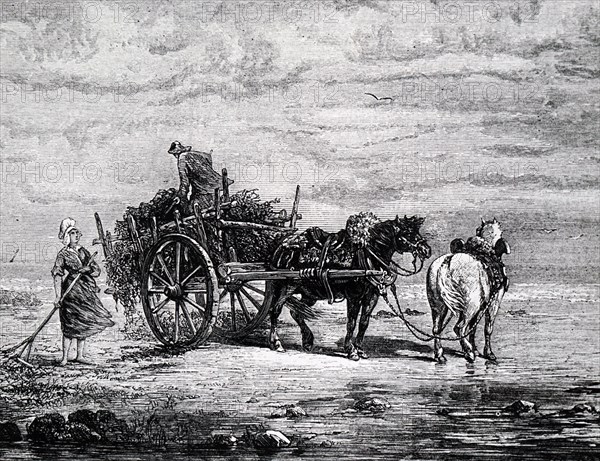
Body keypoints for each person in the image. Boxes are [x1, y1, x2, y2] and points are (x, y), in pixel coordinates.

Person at [52, 218, 114, 366]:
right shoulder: (63, 254)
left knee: (83, 322)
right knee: (69, 324)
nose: (77, 236)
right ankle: (65, 357)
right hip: (71, 291)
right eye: (73, 233)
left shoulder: (83, 251)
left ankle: (80, 355)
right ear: (67, 236)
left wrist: (88, 269)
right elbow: (57, 274)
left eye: (77, 233)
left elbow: (97, 271)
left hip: (85, 290)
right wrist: (57, 296)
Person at [168, 141, 232, 211]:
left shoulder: (182, 159)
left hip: (203, 192)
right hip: (215, 188)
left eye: (174, 154)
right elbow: (208, 159)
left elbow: (184, 183)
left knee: (190, 210)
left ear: (176, 153)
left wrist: (180, 196)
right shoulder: (197, 154)